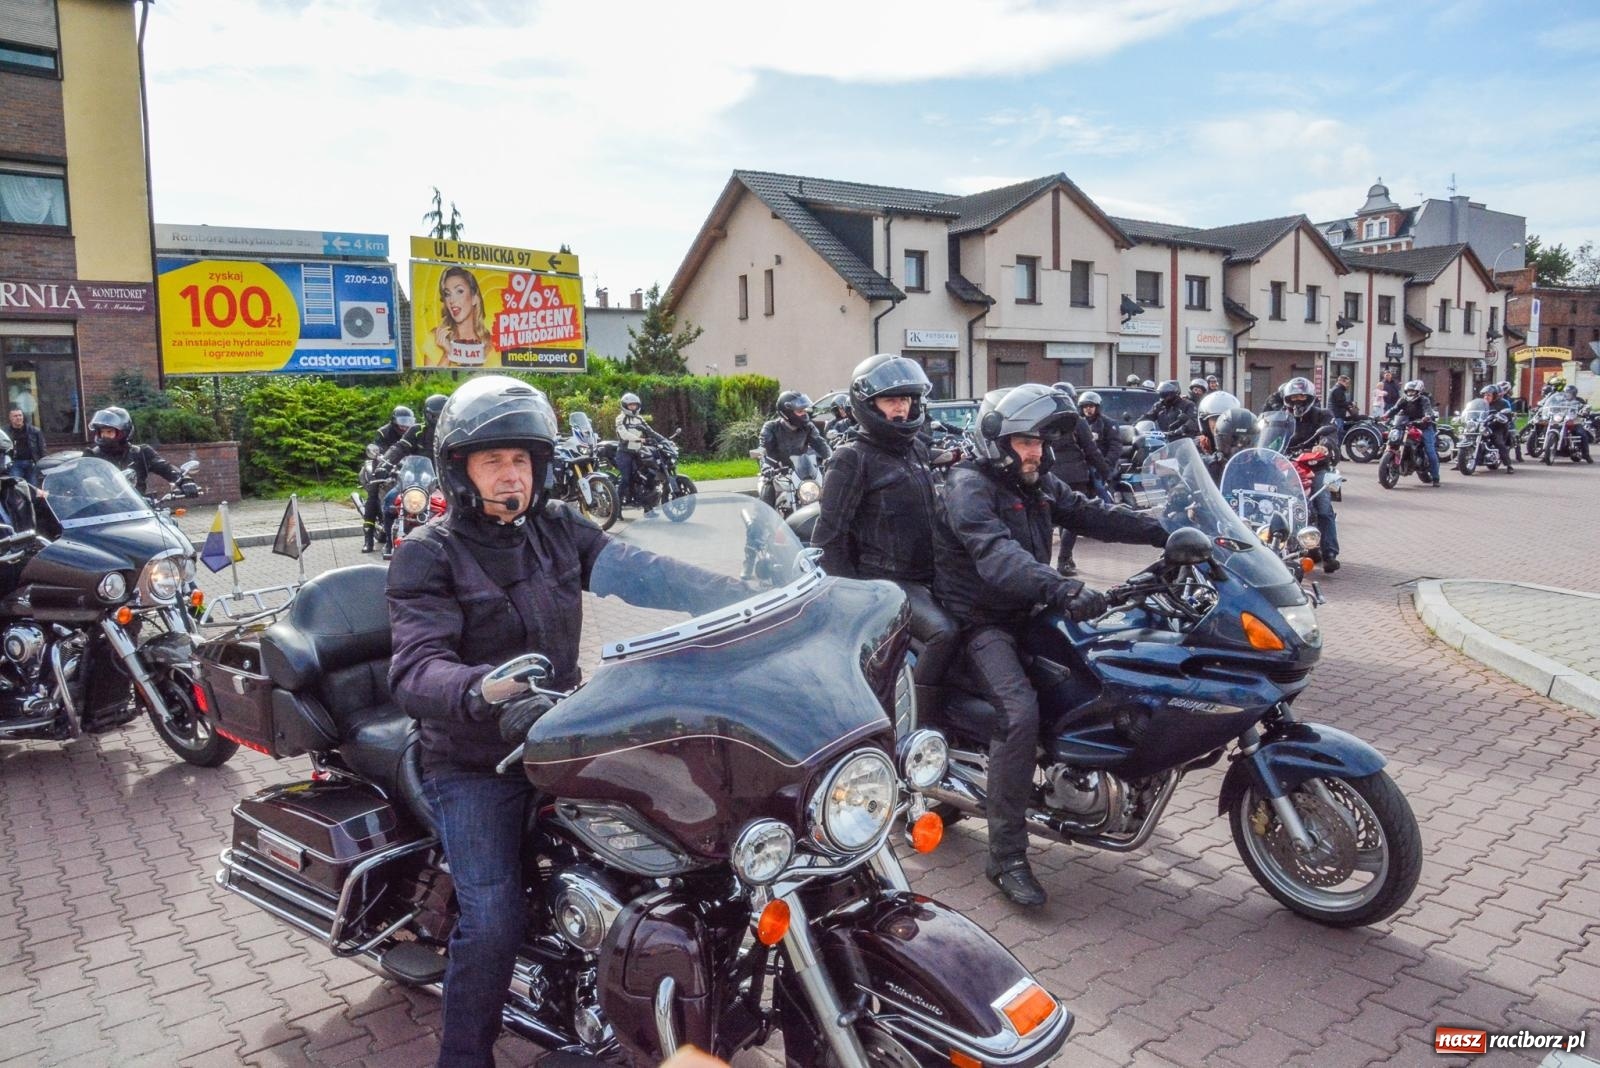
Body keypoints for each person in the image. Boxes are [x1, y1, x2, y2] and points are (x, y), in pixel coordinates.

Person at [387, 376, 738, 1066]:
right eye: (493, 461)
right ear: (459, 470)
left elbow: (639, 569)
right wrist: (484, 691)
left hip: (560, 735)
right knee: (491, 921)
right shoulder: (429, 552)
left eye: (521, 460)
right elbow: (415, 667)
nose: (510, 474)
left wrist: (738, 594)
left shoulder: (556, 529)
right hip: (474, 759)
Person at [933, 384, 1167, 907]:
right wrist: (1063, 586)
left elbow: (1090, 513)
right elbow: (995, 556)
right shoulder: (968, 485)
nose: (1036, 450)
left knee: (1108, 666)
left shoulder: (1034, 481)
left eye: (1040, 441)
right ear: (996, 440)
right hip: (982, 621)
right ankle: (1006, 857)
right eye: (1024, 440)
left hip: (1031, 611)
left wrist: (1165, 532)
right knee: (1019, 714)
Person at [809, 354, 959, 694]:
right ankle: (920, 722)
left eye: (906, 398)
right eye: (892, 399)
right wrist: (853, 601)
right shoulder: (851, 458)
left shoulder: (916, 448)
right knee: (942, 632)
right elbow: (827, 540)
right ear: (868, 404)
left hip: (932, 573)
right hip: (887, 581)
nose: (901, 408)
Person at [1278, 378, 1341, 571]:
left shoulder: (1323, 415)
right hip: (1285, 467)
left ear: (1310, 397)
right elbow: (1267, 435)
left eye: (1301, 396)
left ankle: (1330, 552)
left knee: (1322, 506)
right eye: (1293, 397)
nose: (1297, 401)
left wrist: (1324, 446)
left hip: (1315, 467)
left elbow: (1330, 435)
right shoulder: (1281, 417)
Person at [1048, 383, 1108, 576]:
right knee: (1072, 519)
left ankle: (1040, 562)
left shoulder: (1044, 421)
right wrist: (1106, 472)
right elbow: (1091, 450)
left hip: (1049, 476)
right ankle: (1064, 560)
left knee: (1045, 519)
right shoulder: (1077, 421)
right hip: (1075, 477)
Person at [83, 407, 196, 498]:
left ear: (123, 432)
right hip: (104, 512)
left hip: (139, 510)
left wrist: (185, 481)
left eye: (109, 432)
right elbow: (79, 483)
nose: (104, 436)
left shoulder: (141, 453)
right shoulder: (92, 456)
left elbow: (165, 467)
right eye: (102, 432)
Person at [758, 391, 831, 508]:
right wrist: (766, 466)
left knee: (827, 490)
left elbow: (820, 443)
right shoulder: (771, 427)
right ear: (787, 413)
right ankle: (760, 522)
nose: (804, 414)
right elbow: (763, 448)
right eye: (800, 411)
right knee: (767, 491)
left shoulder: (808, 427)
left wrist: (831, 457)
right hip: (777, 473)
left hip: (801, 472)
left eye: (804, 410)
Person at [363, 405, 417, 552]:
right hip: (383, 464)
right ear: (394, 420)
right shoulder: (383, 432)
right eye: (401, 420)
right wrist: (382, 465)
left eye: (408, 420)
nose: (404, 424)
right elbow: (380, 450)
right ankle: (368, 539)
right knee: (373, 493)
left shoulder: (414, 432)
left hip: (406, 467)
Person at [431, 266, 493, 368]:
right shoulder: (435, 338)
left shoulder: (491, 345)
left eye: (459, 291)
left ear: (474, 298)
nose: (452, 300)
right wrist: (447, 355)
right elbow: (431, 381)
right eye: (447, 294)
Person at [1384, 379, 1442, 487]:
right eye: (1408, 391)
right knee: (1392, 441)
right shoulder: (1403, 400)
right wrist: (1385, 415)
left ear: (1418, 391)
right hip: (1406, 425)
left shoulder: (1424, 399)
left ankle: (1435, 477)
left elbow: (1428, 410)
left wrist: (1427, 416)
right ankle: (1384, 472)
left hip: (1423, 426)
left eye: (1412, 391)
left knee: (1430, 451)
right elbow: (1395, 409)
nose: (1410, 393)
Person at [1077, 391, 1121, 503]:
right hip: (1082, 463)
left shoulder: (1108, 423)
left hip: (1101, 464)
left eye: (1091, 406)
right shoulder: (1078, 424)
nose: (1088, 409)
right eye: (1085, 406)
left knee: (1099, 487)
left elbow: (1115, 447)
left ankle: (1110, 511)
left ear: (1097, 407)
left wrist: (1106, 463)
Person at [1194, 390, 1241, 482]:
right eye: (1215, 418)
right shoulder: (1196, 447)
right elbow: (1188, 474)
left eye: (1225, 419)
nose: (1220, 423)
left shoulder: (1242, 445)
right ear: (1205, 423)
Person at [615, 392, 647, 506]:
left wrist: (662, 439)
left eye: (635, 405)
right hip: (624, 453)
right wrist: (638, 439)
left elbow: (649, 430)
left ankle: (647, 507)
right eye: (630, 405)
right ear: (625, 405)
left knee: (643, 477)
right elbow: (623, 434)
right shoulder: (620, 418)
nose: (633, 407)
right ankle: (616, 507)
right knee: (626, 478)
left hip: (638, 452)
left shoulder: (639, 418)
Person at [1480, 384, 1516, 473]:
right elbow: (1473, 411)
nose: (1486, 397)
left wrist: (1501, 415)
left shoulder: (1502, 403)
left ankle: (1509, 465)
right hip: (1482, 426)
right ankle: (1460, 464)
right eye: (1485, 395)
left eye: (1488, 395)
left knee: (1498, 442)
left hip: (1496, 427)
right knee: (1466, 438)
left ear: (1495, 395)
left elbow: (1508, 413)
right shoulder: (1481, 403)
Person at [7, 408, 46, 487]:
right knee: (17, 487)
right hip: (14, 463)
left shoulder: (35, 431)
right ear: (10, 418)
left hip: (31, 463)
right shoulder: (5, 431)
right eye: (15, 416)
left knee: (33, 487)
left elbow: (42, 448)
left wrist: (43, 464)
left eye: (20, 415)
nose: (18, 418)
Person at [1329, 375, 1354, 445]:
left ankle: (1338, 451)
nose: (1347, 385)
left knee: (1339, 433)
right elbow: (1341, 402)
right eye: (1346, 383)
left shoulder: (1338, 389)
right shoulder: (1337, 390)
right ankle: (1337, 451)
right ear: (1340, 381)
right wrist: (1350, 403)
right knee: (1338, 433)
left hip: (1337, 414)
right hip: (1336, 414)